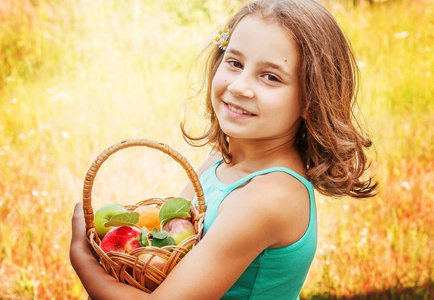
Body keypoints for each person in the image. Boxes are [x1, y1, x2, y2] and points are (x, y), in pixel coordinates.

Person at [70, 0, 378, 299]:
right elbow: (171, 247)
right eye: (235, 62)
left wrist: (81, 255)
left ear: (313, 98)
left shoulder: (269, 197)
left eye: (270, 77)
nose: (239, 86)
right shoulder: (219, 161)